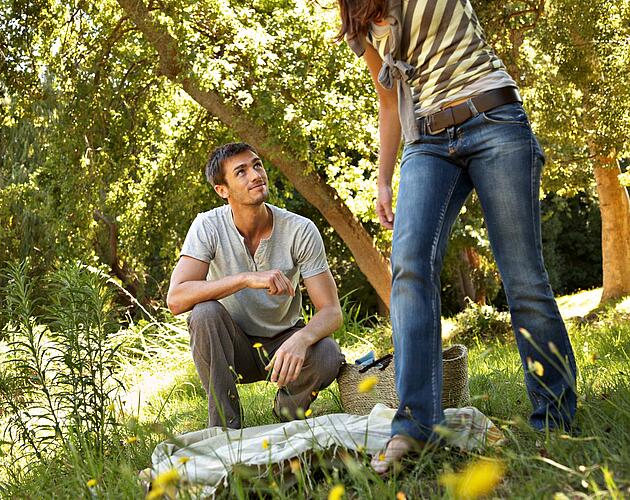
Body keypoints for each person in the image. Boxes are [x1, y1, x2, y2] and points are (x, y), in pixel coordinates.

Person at [335, 0, 578, 473]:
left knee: (523, 277)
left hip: (493, 120)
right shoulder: (357, 18)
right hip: (426, 141)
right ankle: (415, 428)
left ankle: (554, 421)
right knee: (408, 267)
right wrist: (383, 180)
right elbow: (388, 100)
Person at [167, 142, 345, 430]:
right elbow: (176, 299)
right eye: (241, 172)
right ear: (222, 190)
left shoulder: (300, 230)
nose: (256, 175)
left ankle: (286, 412)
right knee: (204, 313)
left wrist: (300, 340)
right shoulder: (207, 226)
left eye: (257, 165)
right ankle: (225, 429)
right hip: (233, 345)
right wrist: (245, 279)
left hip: (284, 343)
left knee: (327, 354)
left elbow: (332, 312)